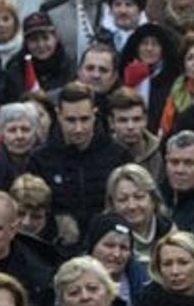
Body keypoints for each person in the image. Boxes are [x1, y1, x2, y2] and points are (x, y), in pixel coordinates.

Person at [27, 82, 130, 243]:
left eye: (84, 119)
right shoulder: (40, 160)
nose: (78, 128)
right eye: (71, 120)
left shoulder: (118, 155)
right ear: (58, 115)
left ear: (94, 114)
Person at [134, 230, 194, 306]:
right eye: (167, 264)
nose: (175, 271)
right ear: (158, 268)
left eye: (183, 263)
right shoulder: (146, 304)